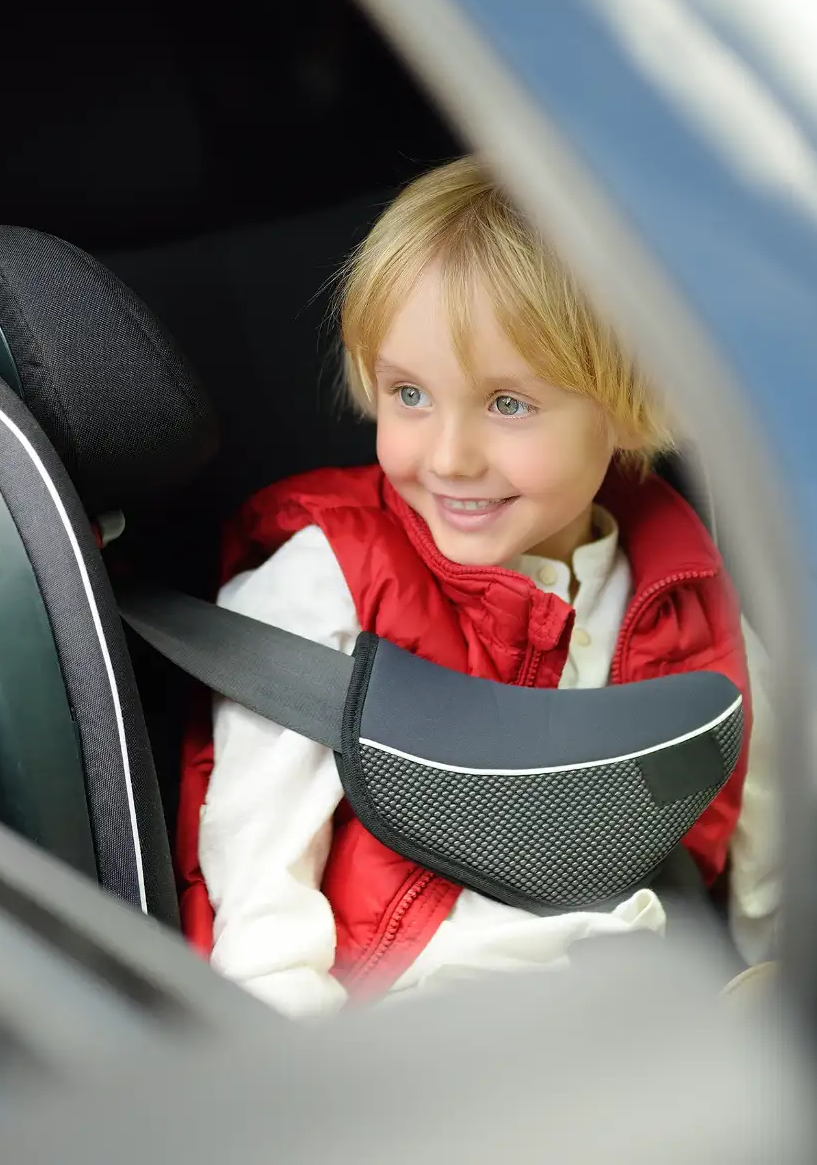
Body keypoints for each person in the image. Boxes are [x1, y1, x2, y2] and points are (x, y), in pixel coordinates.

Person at [174, 157, 763, 1017]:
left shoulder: (689, 597)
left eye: (507, 405)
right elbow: (259, 904)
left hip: (640, 1014)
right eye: (409, 394)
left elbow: (777, 870)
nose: (449, 456)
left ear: (627, 407)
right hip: (424, 1042)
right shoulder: (322, 588)